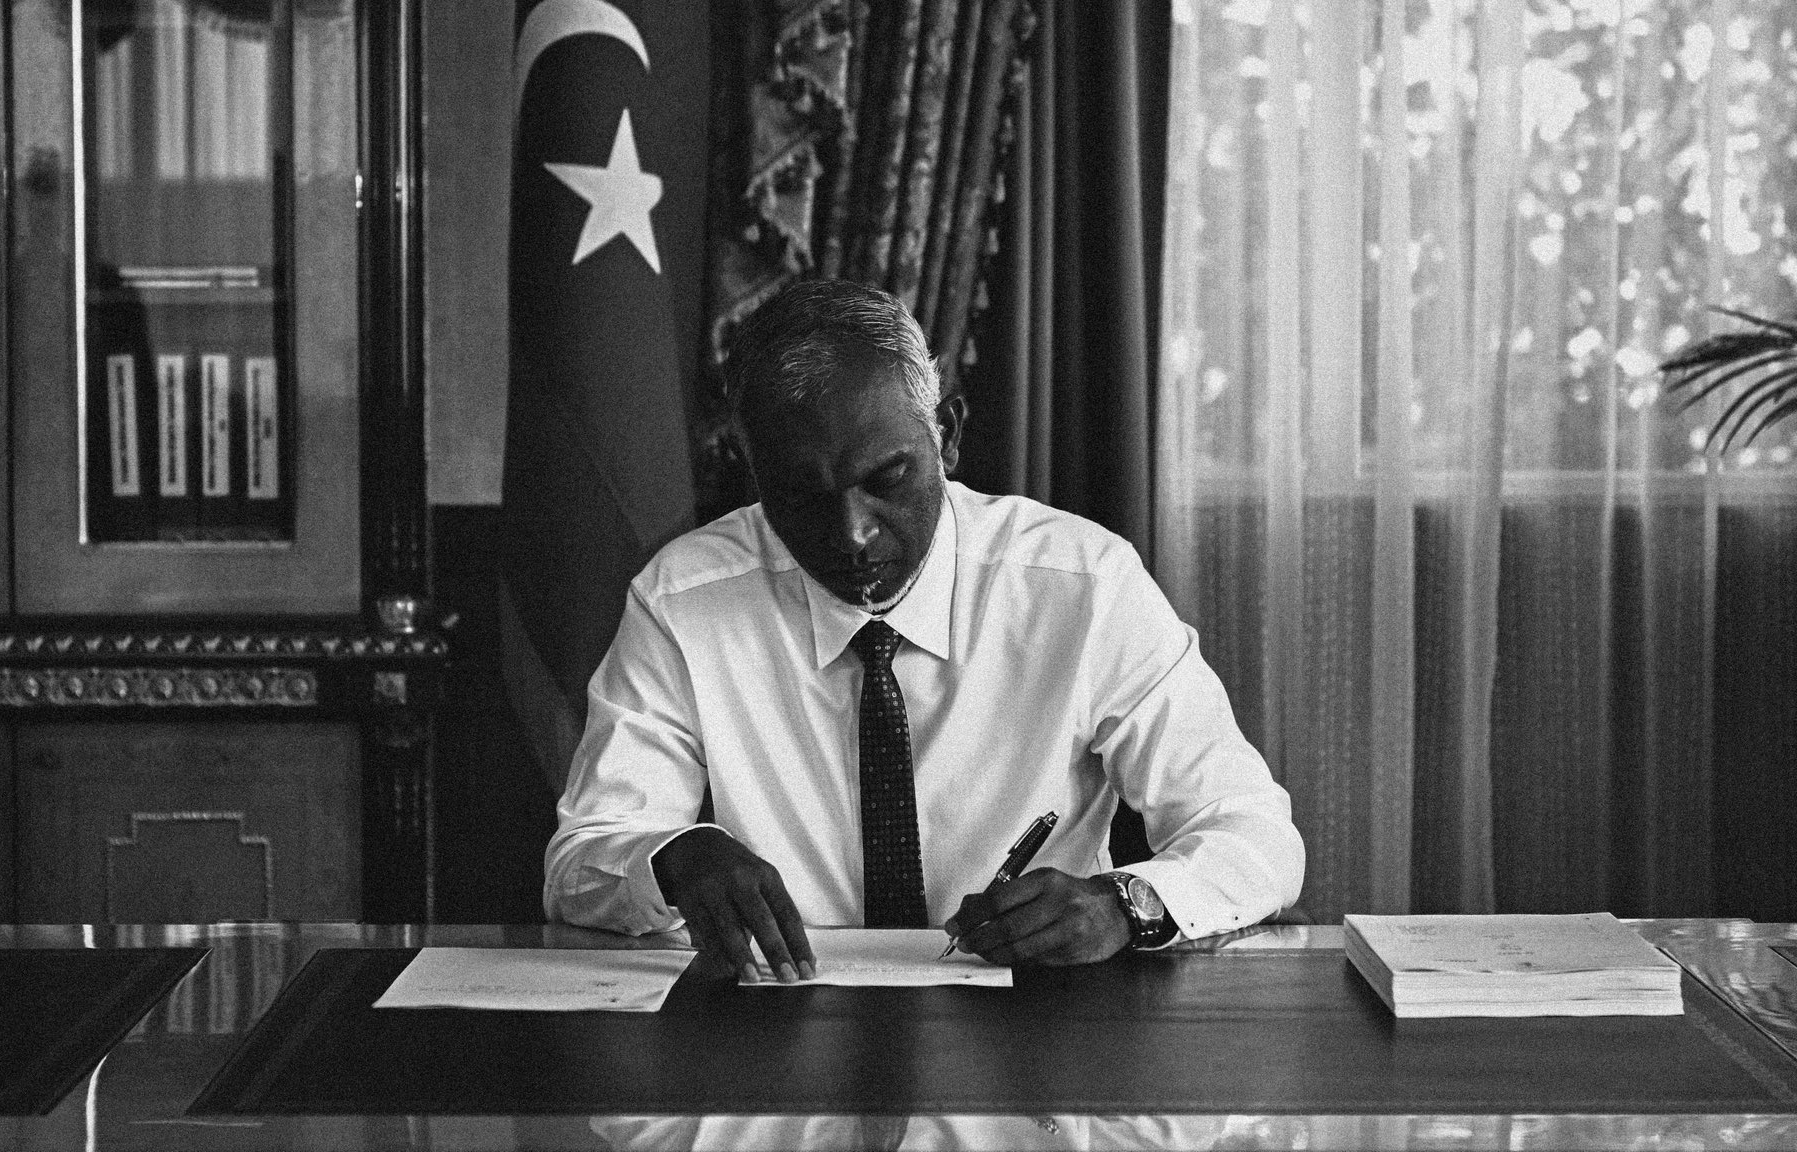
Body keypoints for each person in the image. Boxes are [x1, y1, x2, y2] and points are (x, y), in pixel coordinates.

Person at [544, 279, 1303, 982]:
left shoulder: (1083, 585)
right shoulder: (682, 600)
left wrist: (1127, 904)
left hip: (1035, 1031)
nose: (852, 533)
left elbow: (1254, 834)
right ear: (753, 472)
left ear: (948, 433)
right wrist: (675, 857)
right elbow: (581, 862)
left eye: (886, 479)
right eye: (802, 495)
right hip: (784, 1022)